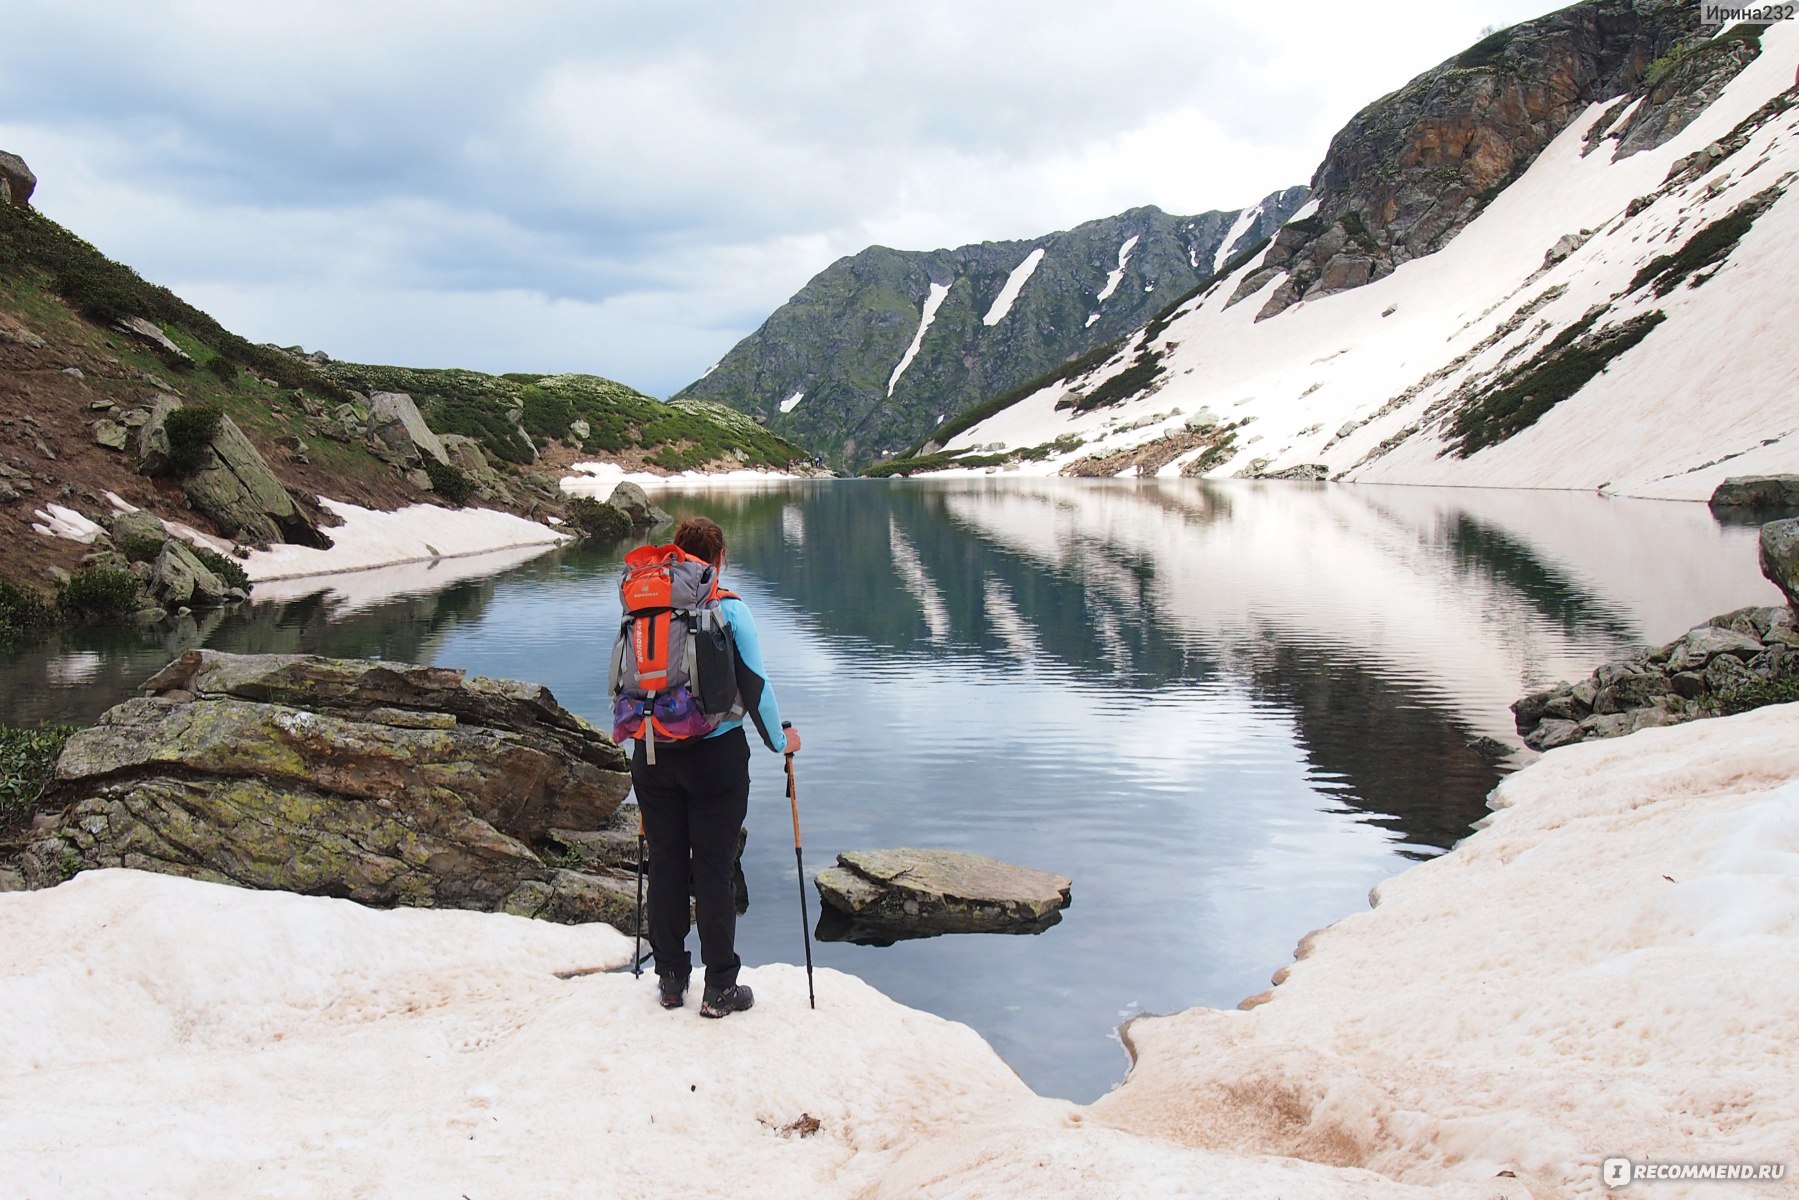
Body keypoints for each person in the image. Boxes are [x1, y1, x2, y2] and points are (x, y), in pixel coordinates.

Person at [630, 515, 801, 1018]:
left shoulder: (647, 607)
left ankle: (669, 979)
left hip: (651, 751)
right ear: (719, 560)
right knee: (713, 867)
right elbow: (756, 688)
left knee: (664, 862)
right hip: (716, 758)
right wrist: (781, 742)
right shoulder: (730, 610)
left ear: (675, 555)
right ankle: (720, 987)